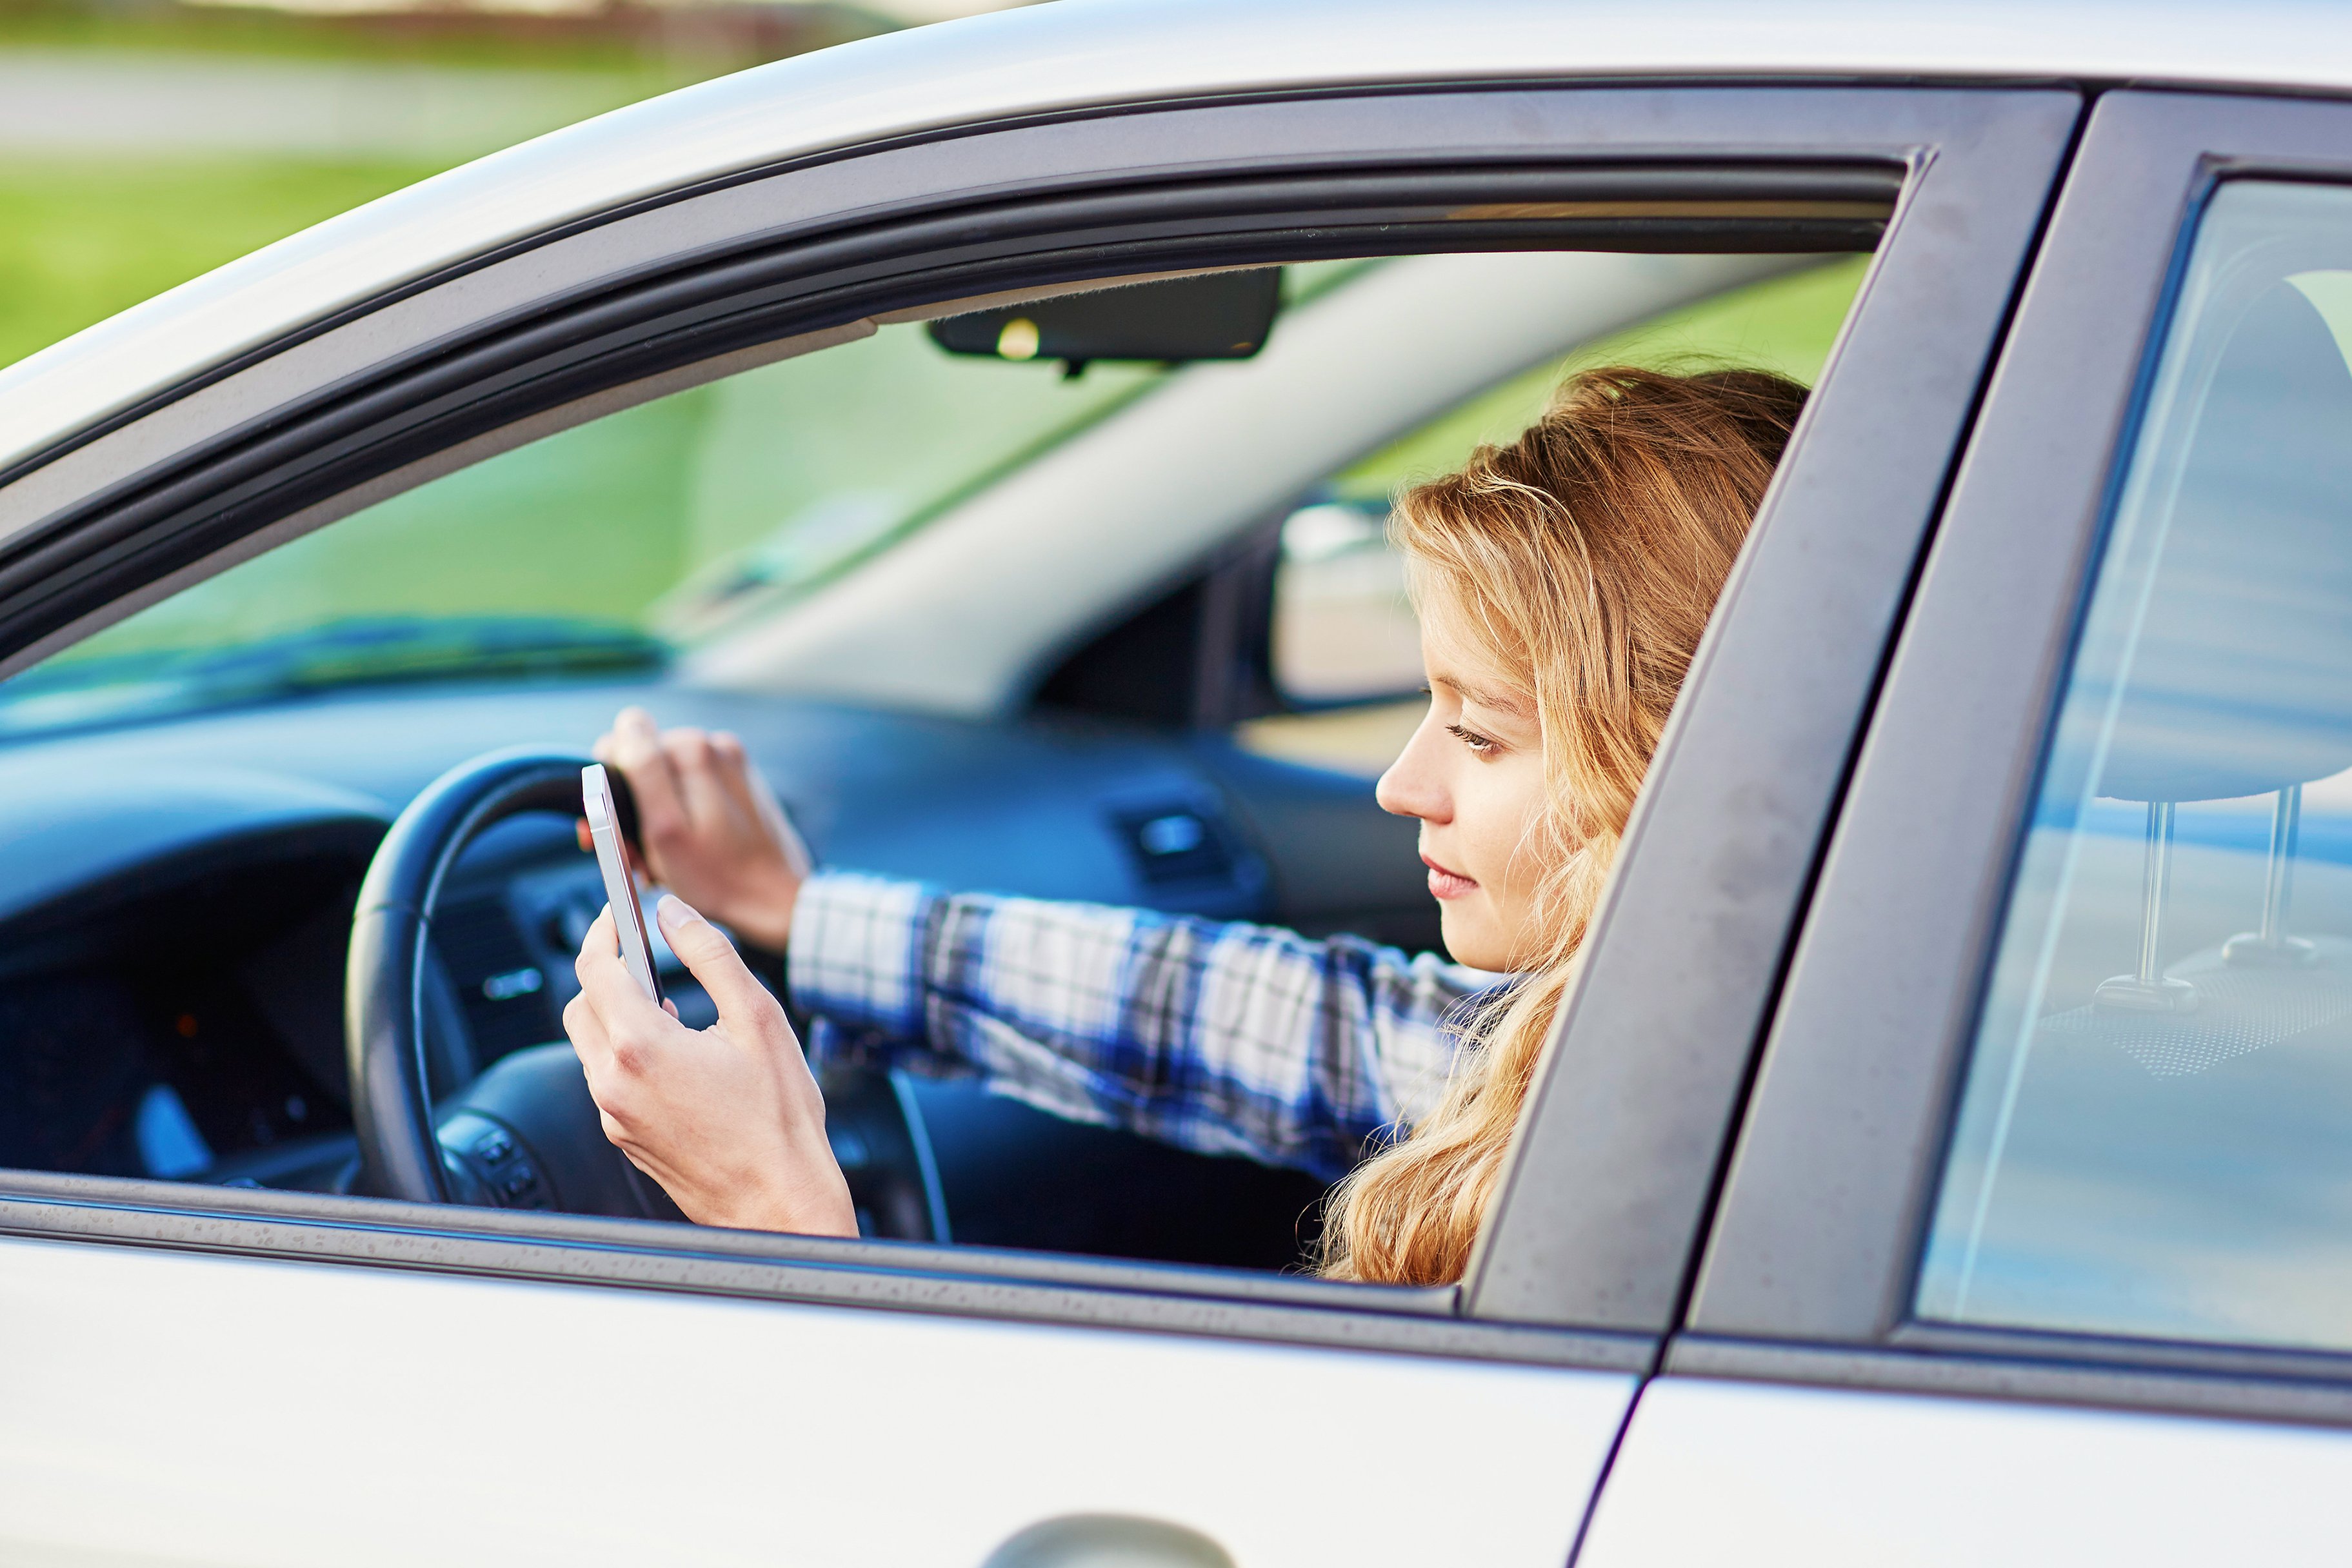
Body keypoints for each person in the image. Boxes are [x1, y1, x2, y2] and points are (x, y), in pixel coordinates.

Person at [561, 364, 1808, 1285]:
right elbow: (1306, 1027)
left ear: (1667, 767)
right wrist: (799, 915)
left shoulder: (1648, 1217)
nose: (1401, 785)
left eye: (1478, 732)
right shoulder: (1660, 1056)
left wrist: (778, 1216)